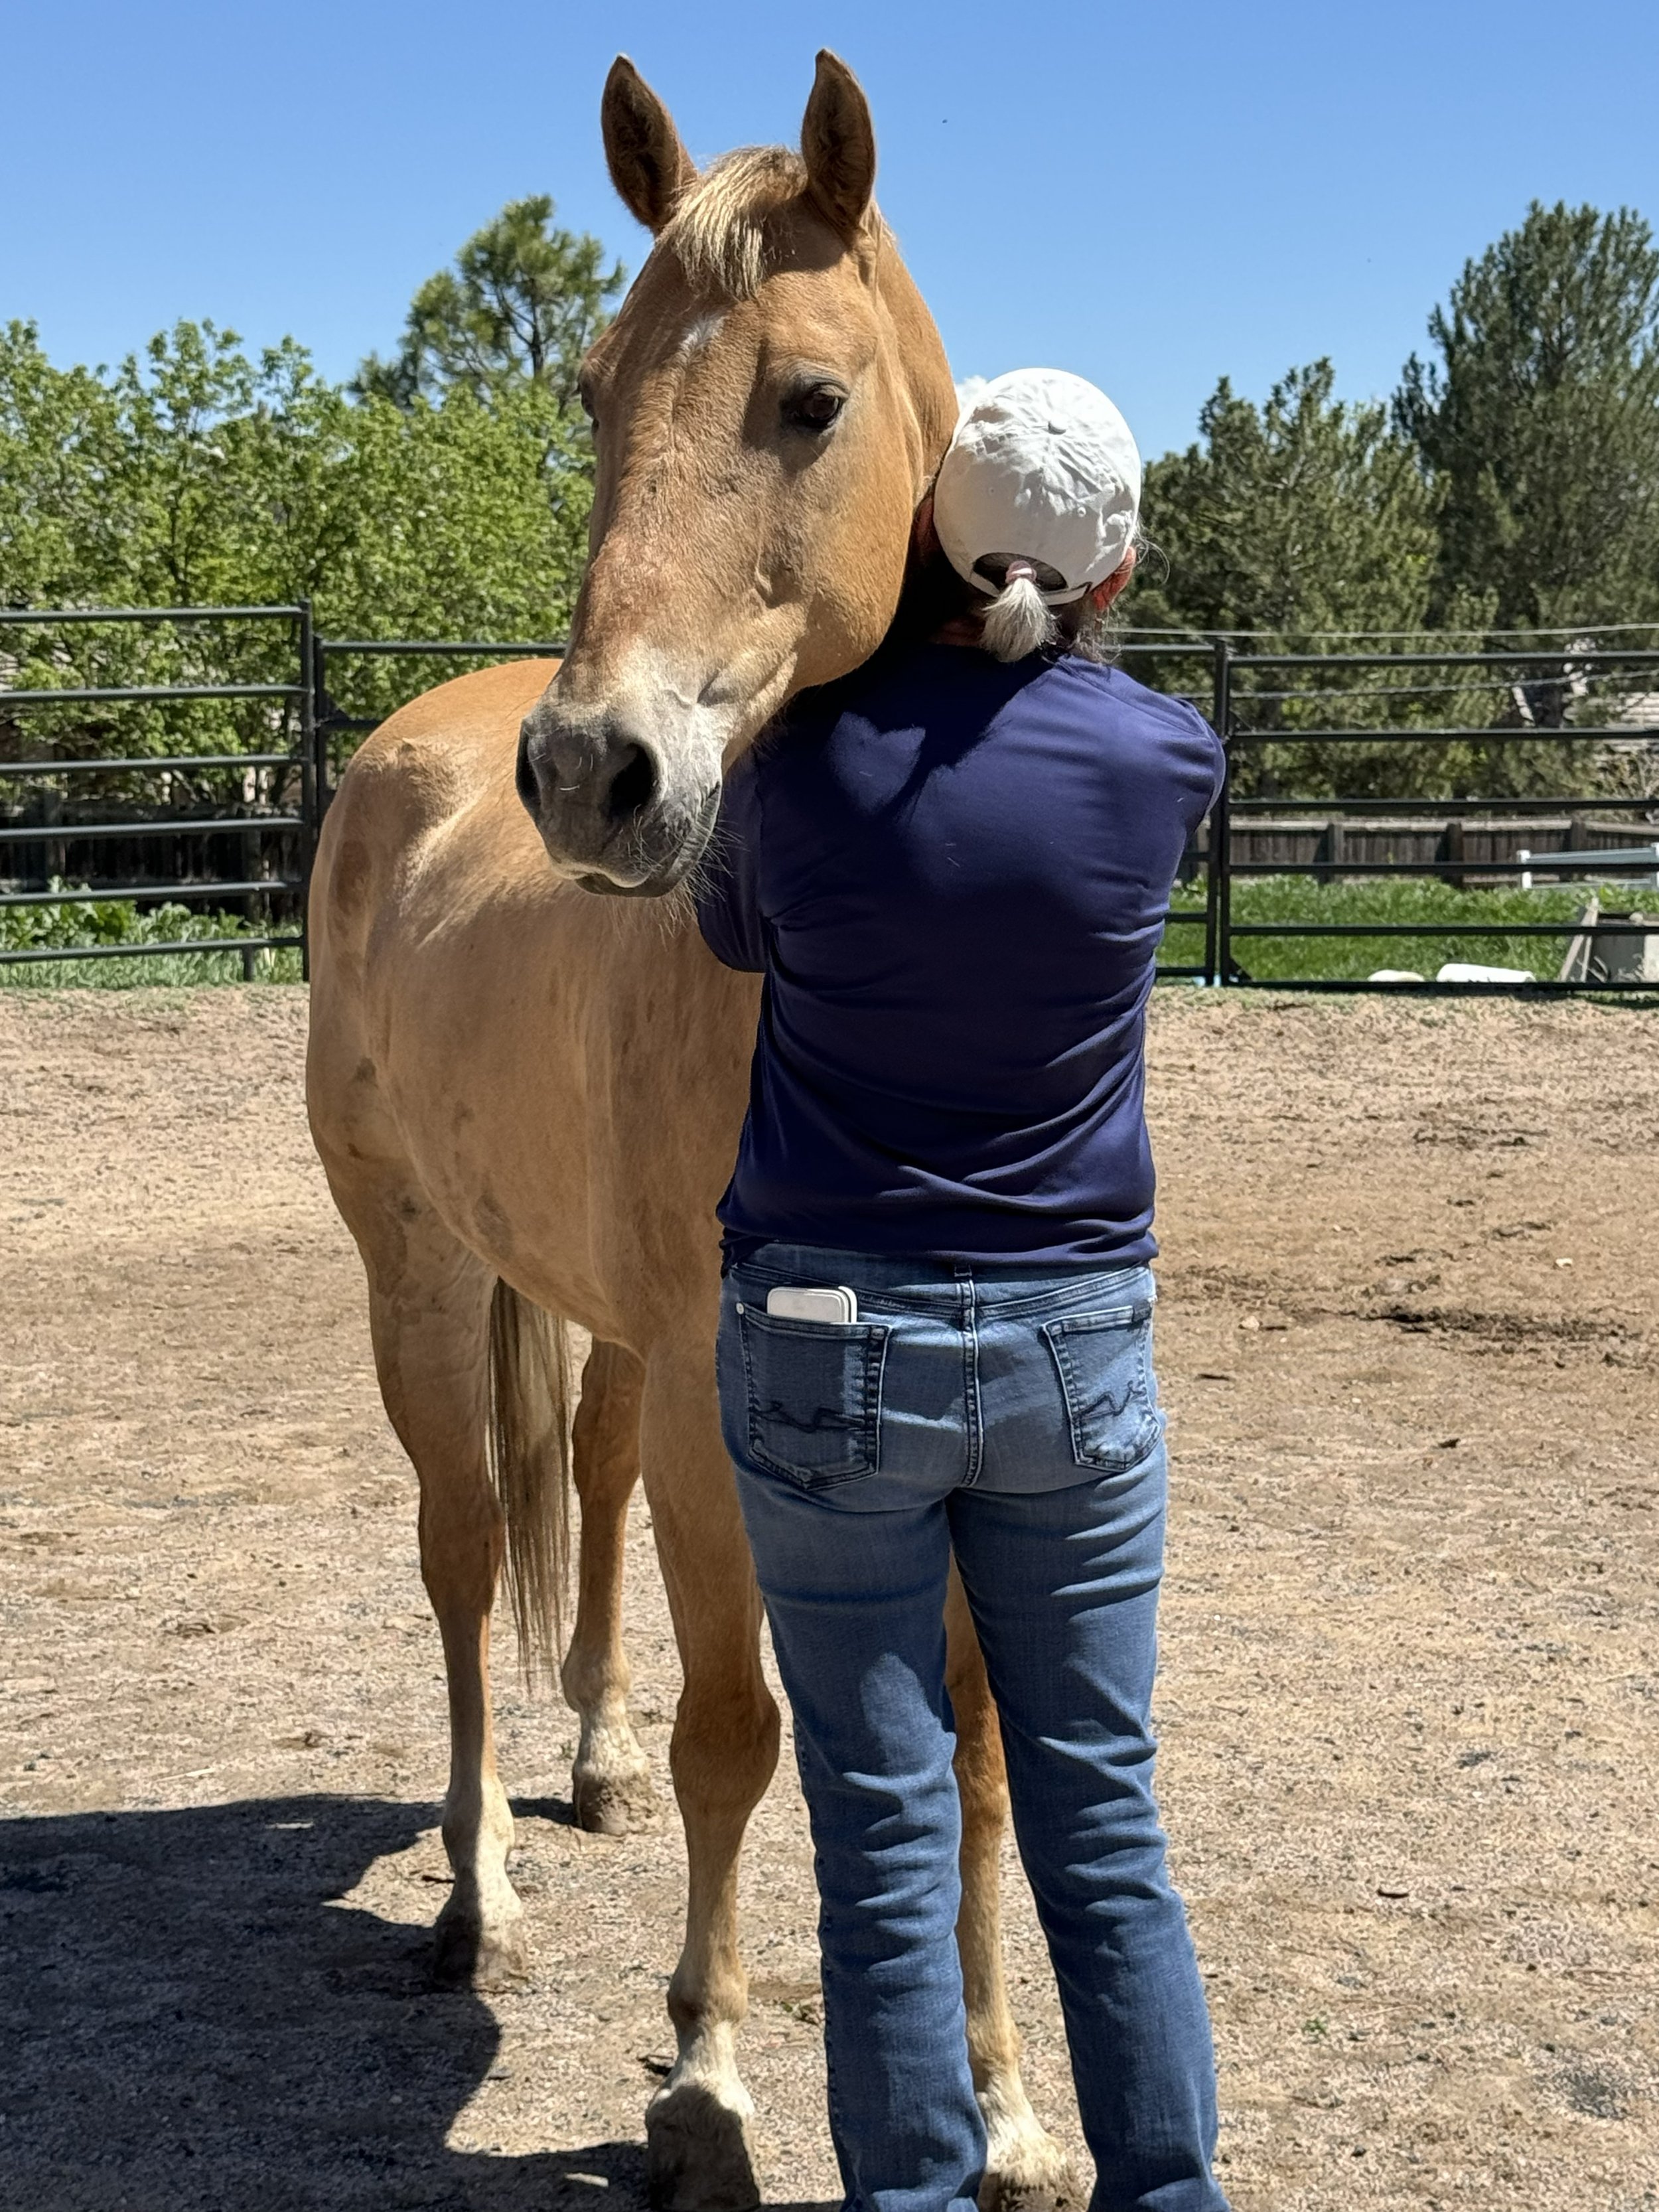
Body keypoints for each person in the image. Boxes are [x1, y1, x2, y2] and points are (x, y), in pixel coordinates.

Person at [697, 368, 1230, 2212]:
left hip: (826, 1340)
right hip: (1073, 1346)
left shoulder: (795, 765)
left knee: (879, 1831)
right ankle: (1167, 2194)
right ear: (1118, 574)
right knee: (1101, 1814)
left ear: (922, 528)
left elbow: (726, 931)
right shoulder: (1165, 762)